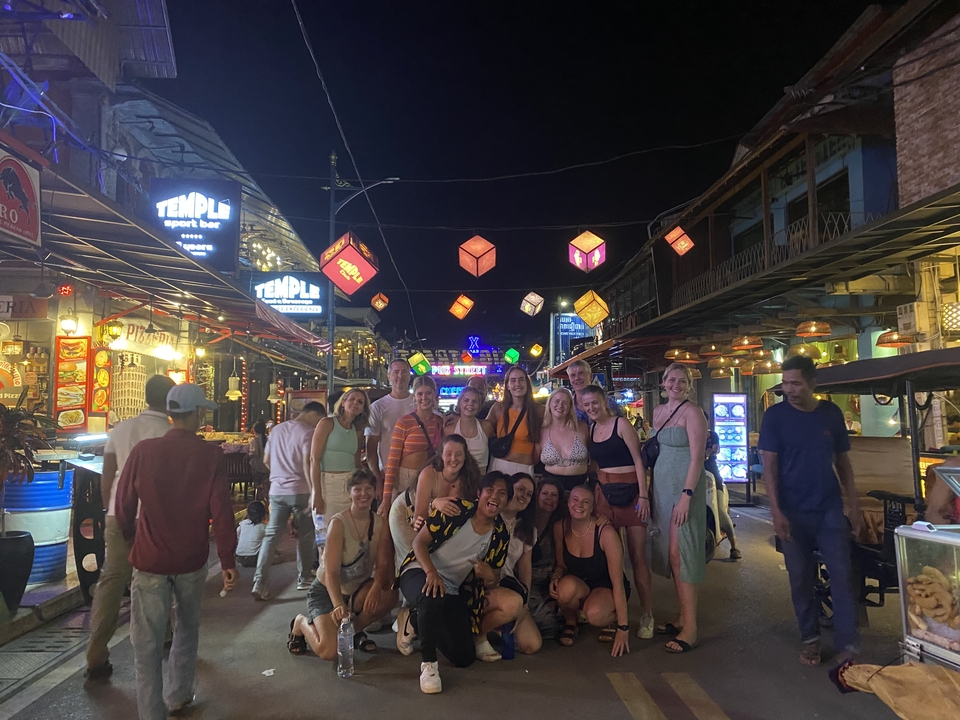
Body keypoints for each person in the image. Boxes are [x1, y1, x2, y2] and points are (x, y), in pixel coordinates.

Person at [114, 383, 237, 720]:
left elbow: (123, 506)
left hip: (149, 559)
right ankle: (179, 695)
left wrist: (131, 540)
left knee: (146, 644)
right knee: (186, 628)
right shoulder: (211, 455)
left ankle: (151, 713)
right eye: (204, 411)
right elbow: (222, 512)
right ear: (197, 413)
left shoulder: (144, 451)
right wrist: (227, 559)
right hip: (191, 559)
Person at [760, 355, 863, 667]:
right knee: (800, 578)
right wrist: (776, 512)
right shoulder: (775, 417)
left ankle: (848, 646)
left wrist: (854, 506)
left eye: (795, 383)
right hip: (793, 512)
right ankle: (811, 640)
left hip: (829, 509)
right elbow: (770, 467)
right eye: (785, 383)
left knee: (842, 576)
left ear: (812, 384)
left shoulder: (830, 415)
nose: (789, 389)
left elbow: (843, 463)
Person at [86, 374, 175, 680]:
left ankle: (96, 651)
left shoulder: (121, 429)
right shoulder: (168, 432)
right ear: (169, 400)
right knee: (156, 576)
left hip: (116, 513)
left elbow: (107, 476)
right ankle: (164, 636)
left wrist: (109, 509)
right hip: (153, 516)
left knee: (112, 579)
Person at [396, 472, 511, 694]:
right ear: (479, 493)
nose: (494, 497)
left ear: (506, 501)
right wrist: (431, 572)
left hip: (450, 588)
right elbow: (419, 543)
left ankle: (414, 620)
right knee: (431, 597)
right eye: (490, 490)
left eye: (502, 494)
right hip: (419, 570)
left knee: (464, 657)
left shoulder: (500, 534)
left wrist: (488, 575)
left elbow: (493, 580)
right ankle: (428, 665)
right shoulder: (457, 509)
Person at [287, 469, 399, 659]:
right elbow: (330, 571)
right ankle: (301, 623)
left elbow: (383, 562)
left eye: (368, 488)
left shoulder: (381, 523)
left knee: (389, 594)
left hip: (356, 591)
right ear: (349, 493)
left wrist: (376, 587)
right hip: (327, 591)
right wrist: (338, 604)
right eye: (358, 489)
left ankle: (350, 632)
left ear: (374, 492)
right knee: (329, 652)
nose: (363, 493)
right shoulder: (338, 523)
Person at [581, 384, 655, 641]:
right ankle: (614, 613)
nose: (591, 408)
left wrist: (644, 496)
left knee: (637, 556)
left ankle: (647, 613)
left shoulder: (621, 424)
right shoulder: (591, 429)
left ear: (604, 402)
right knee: (611, 557)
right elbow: (597, 464)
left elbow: (638, 460)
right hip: (604, 497)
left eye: (595, 403)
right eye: (586, 404)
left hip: (632, 496)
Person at [648, 364, 707, 654]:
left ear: (689, 385)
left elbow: (698, 457)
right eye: (671, 379)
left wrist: (687, 494)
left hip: (685, 489)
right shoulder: (658, 412)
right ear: (663, 382)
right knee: (671, 555)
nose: (676, 384)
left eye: (682, 380)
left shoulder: (693, 412)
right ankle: (682, 615)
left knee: (681, 552)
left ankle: (691, 628)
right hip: (662, 488)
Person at [252, 401, 326, 600]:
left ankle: (259, 582)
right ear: (313, 414)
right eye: (320, 420)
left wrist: (279, 475)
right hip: (300, 490)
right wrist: (313, 492)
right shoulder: (307, 433)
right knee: (305, 535)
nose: (319, 424)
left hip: (277, 491)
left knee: (271, 536)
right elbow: (306, 463)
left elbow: (266, 460)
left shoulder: (276, 430)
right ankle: (303, 578)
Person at [549, 485, 630, 657]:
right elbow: (562, 565)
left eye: (586, 502)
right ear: (568, 502)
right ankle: (571, 622)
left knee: (595, 614)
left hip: (607, 585)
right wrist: (556, 577)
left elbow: (618, 584)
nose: (580, 505)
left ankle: (612, 618)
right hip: (580, 584)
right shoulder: (560, 527)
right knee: (565, 589)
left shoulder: (605, 532)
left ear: (593, 508)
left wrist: (624, 628)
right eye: (575, 500)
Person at [389, 434, 481, 573]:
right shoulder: (429, 474)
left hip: (433, 524)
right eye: (448, 454)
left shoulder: (469, 479)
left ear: (465, 456)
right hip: (407, 513)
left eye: (458, 454)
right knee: (412, 562)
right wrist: (433, 504)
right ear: (441, 455)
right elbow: (419, 521)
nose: (453, 459)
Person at [480, 472, 543, 657]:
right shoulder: (488, 515)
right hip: (484, 582)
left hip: (508, 584)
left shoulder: (528, 529)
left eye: (529, 494)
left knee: (533, 644)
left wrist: (525, 604)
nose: (523, 496)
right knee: (511, 605)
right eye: (520, 489)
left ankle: (493, 626)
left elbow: (525, 568)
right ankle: (478, 634)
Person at [381, 375, 443, 516]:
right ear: (414, 396)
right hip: (405, 479)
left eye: (428, 393)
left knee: (424, 519)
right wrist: (386, 498)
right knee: (403, 520)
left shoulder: (440, 421)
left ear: (434, 395)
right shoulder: (405, 422)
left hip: (430, 477)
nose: (424, 397)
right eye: (420, 394)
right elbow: (393, 460)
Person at [311, 389, 370, 521]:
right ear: (343, 402)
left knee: (350, 530)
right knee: (327, 530)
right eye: (352, 399)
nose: (355, 403)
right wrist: (317, 494)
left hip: (351, 484)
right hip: (328, 484)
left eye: (360, 402)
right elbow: (314, 459)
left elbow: (356, 460)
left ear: (362, 409)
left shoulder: (358, 431)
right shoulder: (327, 423)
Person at [366, 359, 415, 496]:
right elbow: (371, 448)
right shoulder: (377, 407)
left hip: (417, 473)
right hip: (387, 473)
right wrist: (377, 480)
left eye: (404, 372)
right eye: (396, 372)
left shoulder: (419, 403)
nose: (400, 376)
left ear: (409, 376)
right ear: (389, 376)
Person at [487, 365, 544, 477]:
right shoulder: (498, 408)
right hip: (499, 466)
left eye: (521, 380)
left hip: (525, 468)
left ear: (527, 383)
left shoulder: (539, 410)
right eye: (513, 380)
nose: (517, 384)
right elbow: (483, 430)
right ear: (507, 386)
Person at [540, 388, 590, 492]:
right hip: (550, 490)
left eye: (565, 402)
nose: (560, 405)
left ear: (570, 407)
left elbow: (594, 456)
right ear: (549, 404)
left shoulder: (582, 427)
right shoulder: (541, 431)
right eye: (557, 401)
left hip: (580, 487)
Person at [705, 425, 740, 560]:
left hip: (712, 477)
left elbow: (715, 449)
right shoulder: (690, 434)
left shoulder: (712, 435)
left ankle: (734, 546)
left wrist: (709, 452)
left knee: (719, 510)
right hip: (693, 478)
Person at [443, 386, 493, 473]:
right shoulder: (449, 430)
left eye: (475, 401)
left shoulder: (486, 427)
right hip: (457, 480)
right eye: (466, 400)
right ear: (459, 403)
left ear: (479, 405)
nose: (470, 404)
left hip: (481, 481)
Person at [566, 359, 620, 423]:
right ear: (569, 380)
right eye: (573, 375)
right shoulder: (567, 407)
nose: (577, 378)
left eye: (581, 373)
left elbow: (621, 427)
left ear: (590, 376)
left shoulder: (608, 403)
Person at [236, 501, 267, 568]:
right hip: (254, 558)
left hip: (239, 557)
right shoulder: (263, 527)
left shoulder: (243, 523)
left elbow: (237, 534)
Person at [249, 420, 270, 498]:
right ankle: (266, 497)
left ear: (254, 430)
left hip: (257, 466)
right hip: (268, 466)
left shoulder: (254, 440)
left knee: (258, 483)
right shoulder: (269, 438)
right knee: (266, 483)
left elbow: (254, 452)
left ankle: (259, 496)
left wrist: (248, 456)